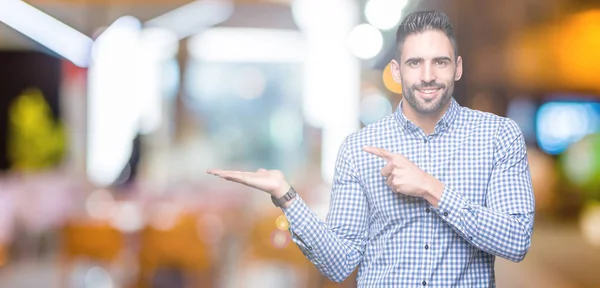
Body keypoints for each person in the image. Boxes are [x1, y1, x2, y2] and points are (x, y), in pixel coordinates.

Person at [208, 10, 535, 287]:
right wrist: (287, 196)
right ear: (396, 71)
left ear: (458, 68)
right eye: (414, 62)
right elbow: (339, 263)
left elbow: (516, 240)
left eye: (440, 62)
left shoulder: (498, 136)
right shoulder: (359, 149)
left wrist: (430, 188)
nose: (427, 75)